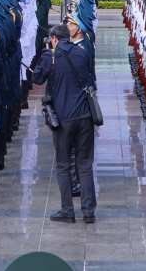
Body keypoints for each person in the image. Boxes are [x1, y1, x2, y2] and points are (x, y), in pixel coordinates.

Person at [31, 19, 99, 222]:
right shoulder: (82, 52)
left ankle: (67, 210)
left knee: (63, 165)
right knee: (84, 164)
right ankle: (88, 211)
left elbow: (37, 79)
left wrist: (43, 56)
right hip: (85, 115)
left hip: (63, 118)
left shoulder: (50, 56)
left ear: (53, 39)